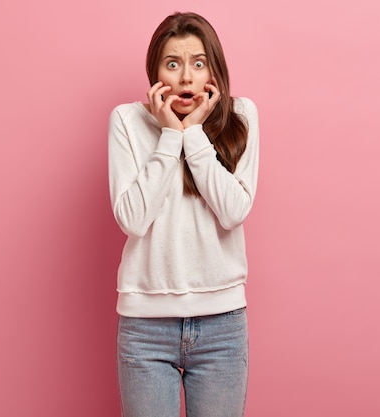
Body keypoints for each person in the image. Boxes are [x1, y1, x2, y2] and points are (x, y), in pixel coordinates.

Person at [108, 11, 259, 417]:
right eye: (172, 64)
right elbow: (134, 220)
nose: (186, 78)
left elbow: (233, 212)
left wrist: (193, 132)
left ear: (214, 67)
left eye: (198, 63)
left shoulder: (241, 116)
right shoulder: (127, 120)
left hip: (221, 326)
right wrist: (170, 134)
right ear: (155, 72)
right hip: (145, 328)